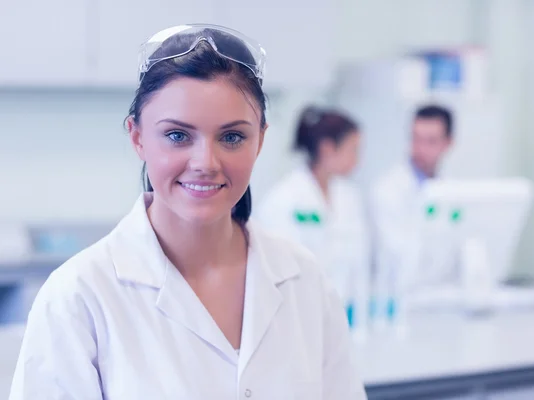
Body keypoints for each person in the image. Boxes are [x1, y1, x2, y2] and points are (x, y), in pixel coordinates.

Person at [9, 24, 366, 400]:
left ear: (260, 140)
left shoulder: (303, 280)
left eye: (232, 137)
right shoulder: (79, 297)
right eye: (178, 135)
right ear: (138, 138)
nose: (205, 162)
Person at [255, 106, 371, 332]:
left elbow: (360, 264)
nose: (358, 160)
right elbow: (280, 273)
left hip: (345, 318)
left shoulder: (350, 197)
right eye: (353, 150)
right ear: (328, 149)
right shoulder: (283, 200)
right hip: (295, 322)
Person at [370, 104, 454, 291]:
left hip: (441, 297)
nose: (420, 148)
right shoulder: (388, 189)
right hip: (401, 297)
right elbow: (397, 258)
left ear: (448, 143)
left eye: (430, 141)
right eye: (416, 139)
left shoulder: (449, 191)